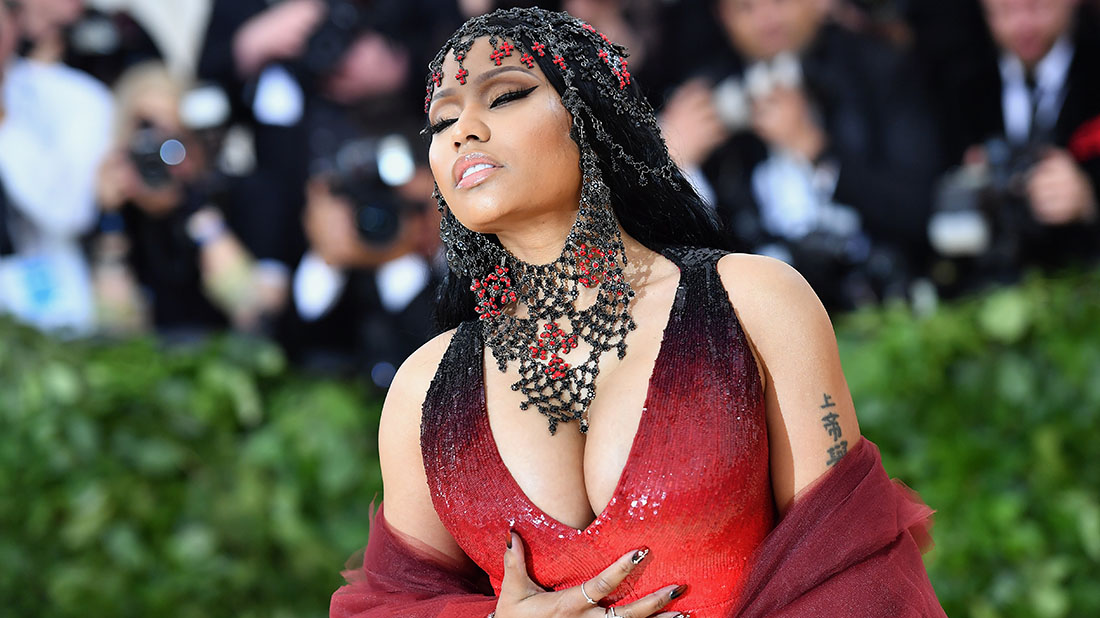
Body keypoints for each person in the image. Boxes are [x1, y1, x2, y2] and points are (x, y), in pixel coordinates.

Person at [331, 8, 945, 617]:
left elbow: (855, 577)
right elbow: (392, 606)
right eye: (441, 120)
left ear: (591, 116)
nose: (462, 130)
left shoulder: (754, 304)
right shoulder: (423, 392)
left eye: (506, 95)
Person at [659, 0, 941, 311]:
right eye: (745, 8)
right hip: (759, 309)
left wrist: (817, 151)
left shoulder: (877, 68)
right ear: (722, 16)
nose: (766, 18)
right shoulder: (706, 93)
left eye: (779, 1)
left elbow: (919, 210)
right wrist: (672, 164)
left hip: (885, 300)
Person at [926, 0, 1100, 291]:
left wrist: (1089, 198)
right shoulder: (957, 79)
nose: (1023, 25)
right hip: (990, 285)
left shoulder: (1092, 70)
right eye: (1006, 11)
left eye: (1037, 7)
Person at [0, 0, 113, 334]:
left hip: (44, 312)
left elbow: (70, 211)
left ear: (15, 22)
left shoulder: (75, 99)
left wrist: (4, 121)